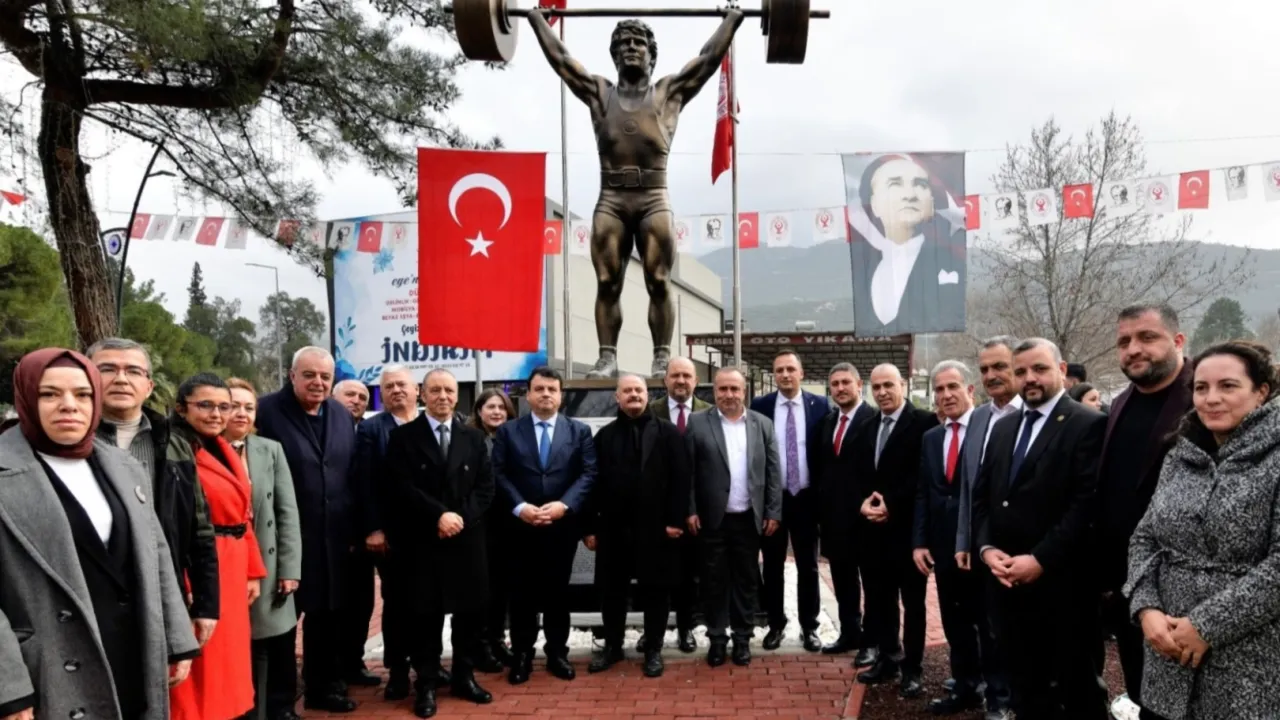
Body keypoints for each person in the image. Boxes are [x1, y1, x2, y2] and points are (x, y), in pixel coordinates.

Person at [526, 8, 745, 377]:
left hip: (653, 198)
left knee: (658, 280)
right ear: (615, 55)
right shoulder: (599, 93)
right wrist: (536, 20)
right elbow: (561, 59)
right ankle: (607, 357)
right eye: (624, 43)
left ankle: (661, 357)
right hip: (611, 199)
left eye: (638, 42)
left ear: (651, 55)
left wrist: (732, 21)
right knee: (607, 282)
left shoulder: (668, 93)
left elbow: (708, 59)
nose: (631, 47)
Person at [0, 348, 199, 720]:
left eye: (83, 394)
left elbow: (155, 552)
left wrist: (176, 641)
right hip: (49, 668)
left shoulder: (123, 466)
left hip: (132, 651)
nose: (69, 405)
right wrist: (7, 689)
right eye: (49, 393)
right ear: (25, 397)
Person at [1125, 341, 1280, 720]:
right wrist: (1146, 608)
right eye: (1201, 388)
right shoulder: (1181, 454)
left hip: (1249, 660)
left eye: (1228, 386)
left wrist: (1207, 625)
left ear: (1261, 391)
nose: (1211, 399)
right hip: (1167, 652)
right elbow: (1145, 537)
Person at [973, 338, 1108, 719]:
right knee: (1025, 691)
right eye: (1020, 371)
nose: (1029, 378)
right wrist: (986, 549)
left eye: (1040, 369)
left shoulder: (1088, 424)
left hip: (1062, 589)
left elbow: (1085, 506)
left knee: (1077, 693)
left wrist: (1039, 559)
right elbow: (983, 497)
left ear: (1061, 370)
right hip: (1006, 586)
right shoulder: (1004, 427)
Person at [88, 338, 220, 648]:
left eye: (133, 371)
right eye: (107, 369)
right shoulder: (70, 444)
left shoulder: (175, 445)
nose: (121, 379)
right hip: (92, 595)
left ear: (148, 386)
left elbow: (199, 529)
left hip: (160, 591)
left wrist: (206, 604)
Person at [1096, 305, 1191, 720]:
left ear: (1178, 340)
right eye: (1124, 341)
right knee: (1142, 692)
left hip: (1185, 591)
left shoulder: (1206, 398)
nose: (1133, 349)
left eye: (1147, 337)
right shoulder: (1120, 403)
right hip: (1127, 584)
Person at [256, 347, 360, 712]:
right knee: (282, 623)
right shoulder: (265, 411)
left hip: (333, 540)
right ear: (292, 375)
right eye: (309, 375)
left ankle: (322, 688)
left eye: (325, 377)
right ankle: (280, 701)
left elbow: (348, 473)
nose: (318, 382)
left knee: (327, 619)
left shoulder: (340, 414)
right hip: (285, 540)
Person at [386, 370, 495, 718]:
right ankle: (427, 684)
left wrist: (459, 518)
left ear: (457, 395)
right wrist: (439, 516)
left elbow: (486, 487)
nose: (443, 396)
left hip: (466, 539)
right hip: (424, 540)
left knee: (469, 615)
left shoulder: (474, 438)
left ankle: (464, 677)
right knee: (425, 616)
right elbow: (401, 487)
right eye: (435, 390)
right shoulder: (403, 437)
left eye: (449, 390)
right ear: (422, 394)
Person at [912, 361, 1009, 719]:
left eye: (953, 387)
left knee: (989, 624)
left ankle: (998, 698)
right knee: (955, 621)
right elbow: (924, 492)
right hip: (942, 546)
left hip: (980, 545)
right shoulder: (931, 438)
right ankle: (966, 686)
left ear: (970, 390)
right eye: (939, 389)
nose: (946, 395)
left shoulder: (989, 431)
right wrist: (920, 541)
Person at [167, 373, 267, 720]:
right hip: (203, 565)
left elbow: (243, 515)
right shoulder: (175, 450)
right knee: (203, 657)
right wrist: (186, 581)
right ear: (182, 408)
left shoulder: (221, 447)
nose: (217, 414)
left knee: (229, 658)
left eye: (224, 406)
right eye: (206, 405)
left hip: (232, 563)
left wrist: (252, 569)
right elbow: (175, 525)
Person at [491, 366, 597, 684]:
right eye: (539, 389)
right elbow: (498, 473)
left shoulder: (579, 431)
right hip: (520, 528)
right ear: (528, 394)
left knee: (557, 594)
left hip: (560, 528)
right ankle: (522, 655)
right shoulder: (509, 431)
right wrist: (520, 507)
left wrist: (564, 505)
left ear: (561, 395)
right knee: (521, 595)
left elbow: (588, 473)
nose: (546, 394)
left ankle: (557, 653)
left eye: (552, 389)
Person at [584, 374, 691, 678]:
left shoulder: (669, 433)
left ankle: (654, 649)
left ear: (647, 395)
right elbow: (592, 484)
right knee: (612, 592)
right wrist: (590, 528)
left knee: (656, 591)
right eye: (627, 391)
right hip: (613, 529)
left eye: (638, 390)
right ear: (617, 397)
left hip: (656, 529)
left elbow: (681, 479)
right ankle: (613, 647)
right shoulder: (604, 437)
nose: (633, 395)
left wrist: (675, 521)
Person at [349, 366, 444, 701]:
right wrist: (373, 527)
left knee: (431, 602)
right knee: (398, 605)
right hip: (393, 536)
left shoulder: (433, 423)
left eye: (402, 384)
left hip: (432, 533)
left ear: (417, 389)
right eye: (388, 386)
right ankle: (398, 670)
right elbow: (364, 482)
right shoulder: (372, 429)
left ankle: (429, 665)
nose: (396, 390)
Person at [686, 366, 782, 668]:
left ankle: (742, 639)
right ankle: (717, 638)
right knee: (713, 581)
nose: (729, 395)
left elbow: (773, 472)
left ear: (744, 391)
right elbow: (688, 472)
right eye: (723, 389)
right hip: (712, 519)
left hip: (748, 519)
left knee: (746, 581)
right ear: (714, 391)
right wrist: (690, 509)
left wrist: (773, 511)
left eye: (734, 389)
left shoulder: (762, 424)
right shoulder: (697, 422)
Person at [851, 363, 937, 697]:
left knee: (913, 605)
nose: (883, 392)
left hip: (907, 532)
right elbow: (860, 474)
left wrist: (892, 504)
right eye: (876, 387)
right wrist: (863, 502)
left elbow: (924, 476)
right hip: (873, 533)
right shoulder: (868, 425)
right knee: (880, 600)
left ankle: (912, 668)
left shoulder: (925, 422)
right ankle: (888, 657)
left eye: (889, 384)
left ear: (902, 383)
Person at [224, 378, 304, 720]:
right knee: (233, 645)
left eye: (249, 407)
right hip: (224, 563)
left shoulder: (269, 450)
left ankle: (280, 708)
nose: (241, 413)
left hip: (268, 563)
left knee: (276, 642)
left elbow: (287, 512)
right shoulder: (200, 450)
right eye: (233, 406)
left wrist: (290, 569)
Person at [750, 351, 829, 652]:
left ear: (801, 373)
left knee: (809, 566)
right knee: (772, 565)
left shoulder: (820, 405)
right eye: (780, 370)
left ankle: (809, 627)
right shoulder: (761, 406)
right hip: (774, 499)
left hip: (807, 498)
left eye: (790, 369)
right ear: (774, 374)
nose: (785, 374)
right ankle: (775, 624)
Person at [845, 154, 966, 335]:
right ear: (874, 204)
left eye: (920, 184)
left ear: (932, 202)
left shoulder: (952, 261)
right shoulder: (865, 267)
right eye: (895, 184)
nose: (910, 195)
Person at [811, 362, 876, 660]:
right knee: (843, 582)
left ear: (859, 384)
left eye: (845, 382)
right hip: (834, 519)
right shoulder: (827, 422)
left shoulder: (874, 419)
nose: (840, 388)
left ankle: (871, 641)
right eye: (835, 384)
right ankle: (850, 633)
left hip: (866, 518)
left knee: (873, 584)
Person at [648, 356, 709, 653]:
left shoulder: (709, 412)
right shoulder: (650, 412)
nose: (681, 381)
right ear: (665, 380)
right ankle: (652, 632)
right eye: (675, 376)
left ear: (695, 381)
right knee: (655, 576)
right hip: (660, 511)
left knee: (689, 575)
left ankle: (686, 628)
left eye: (687, 375)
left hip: (698, 510)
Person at [955, 336, 1024, 566]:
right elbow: (968, 486)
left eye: (999, 366)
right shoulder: (978, 416)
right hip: (982, 547)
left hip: (1025, 551)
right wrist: (963, 541)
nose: (990, 376)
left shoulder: (1034, 415)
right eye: (984, 370)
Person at [466, 389, 519, 670]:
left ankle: (498, 641)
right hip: (479, 525)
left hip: (509, 524)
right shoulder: (470, 439)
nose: (497, 412)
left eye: (502, 407)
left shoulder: (513, 438)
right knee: (480, 590)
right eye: (490, 407)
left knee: (502, 588)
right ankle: (480, 646)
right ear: (479, 411)